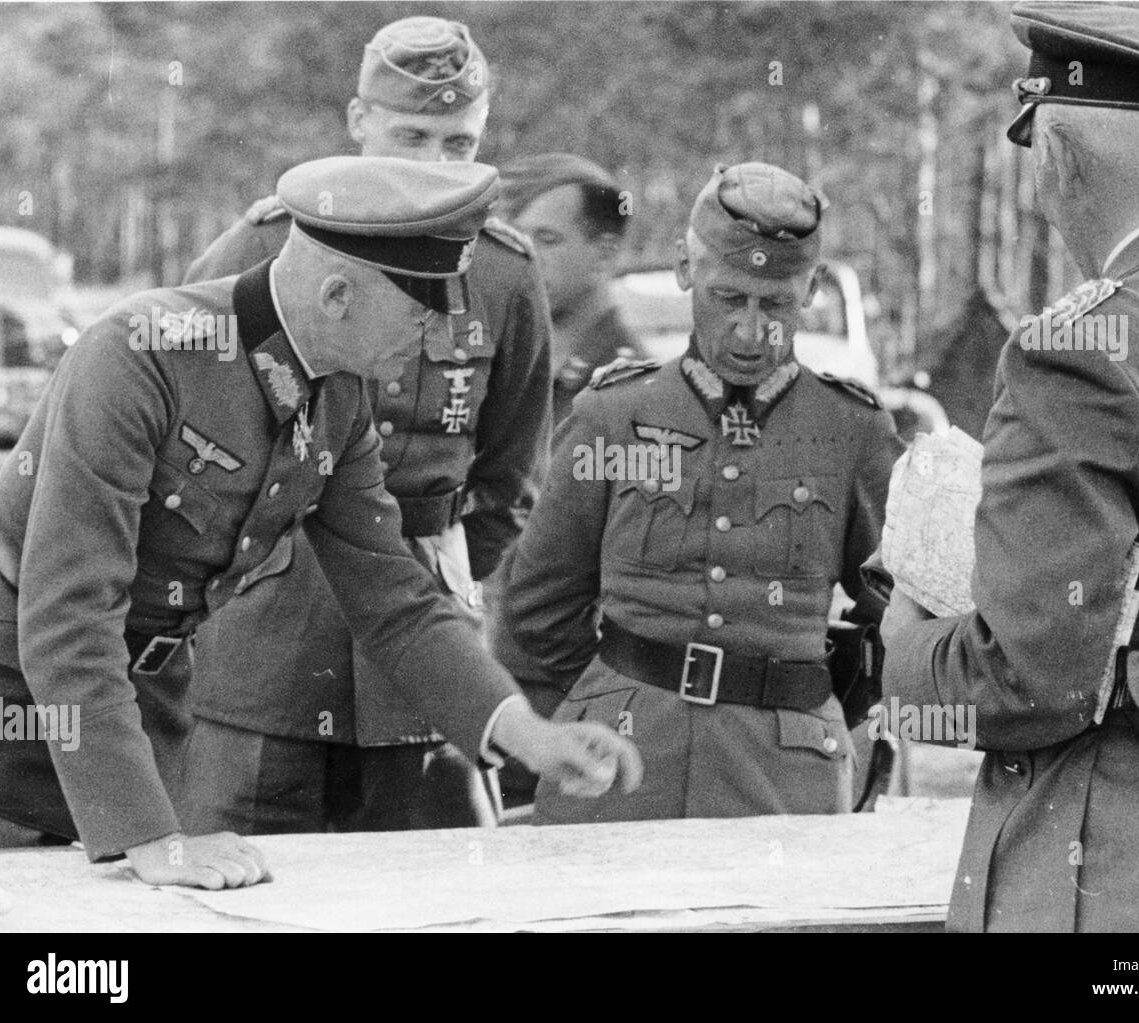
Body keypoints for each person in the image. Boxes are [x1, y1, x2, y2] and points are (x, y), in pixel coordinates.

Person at [0, 156, 641, 887]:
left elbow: (396, 599)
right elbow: (69, 612)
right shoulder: (141, 355)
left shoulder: (339, 398)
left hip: (139, 699)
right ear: (335, 294)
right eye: (422, 311)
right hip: (6, 694)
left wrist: (529, 735)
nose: (437, 333)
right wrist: (148, 833)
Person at [880, 1, 1139, 931]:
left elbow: (1029, 682)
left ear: (1051, 163)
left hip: (1137, 876)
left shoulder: (1079, 350)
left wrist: (902, 643)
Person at [180, 16, 553, 833]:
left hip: (422, 614)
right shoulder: (264, 243)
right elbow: (189, 437)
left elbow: (511, 475)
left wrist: (432, 555)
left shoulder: (501, 271)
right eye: (410, 136)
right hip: (270, 615)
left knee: (434, 882)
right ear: (358, 125)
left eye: (458, 144)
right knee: (236, 870)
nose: (433, 166)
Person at [496, 162, 903, 823]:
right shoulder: (616, 415)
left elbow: (897, 611)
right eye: (726, 297)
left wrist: (820, 697)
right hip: (622, 761)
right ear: (686, 268)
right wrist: (620, 686)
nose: (749, 331)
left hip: (785, 775)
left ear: (811, 290)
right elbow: (537, 605)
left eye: (775, 304)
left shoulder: (852, 429)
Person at [497, 153, 644, 424]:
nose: (524, 257)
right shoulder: (514, 370)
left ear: (604, 254)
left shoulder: (629, 392)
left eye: (547, 239)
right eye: (514, 237)